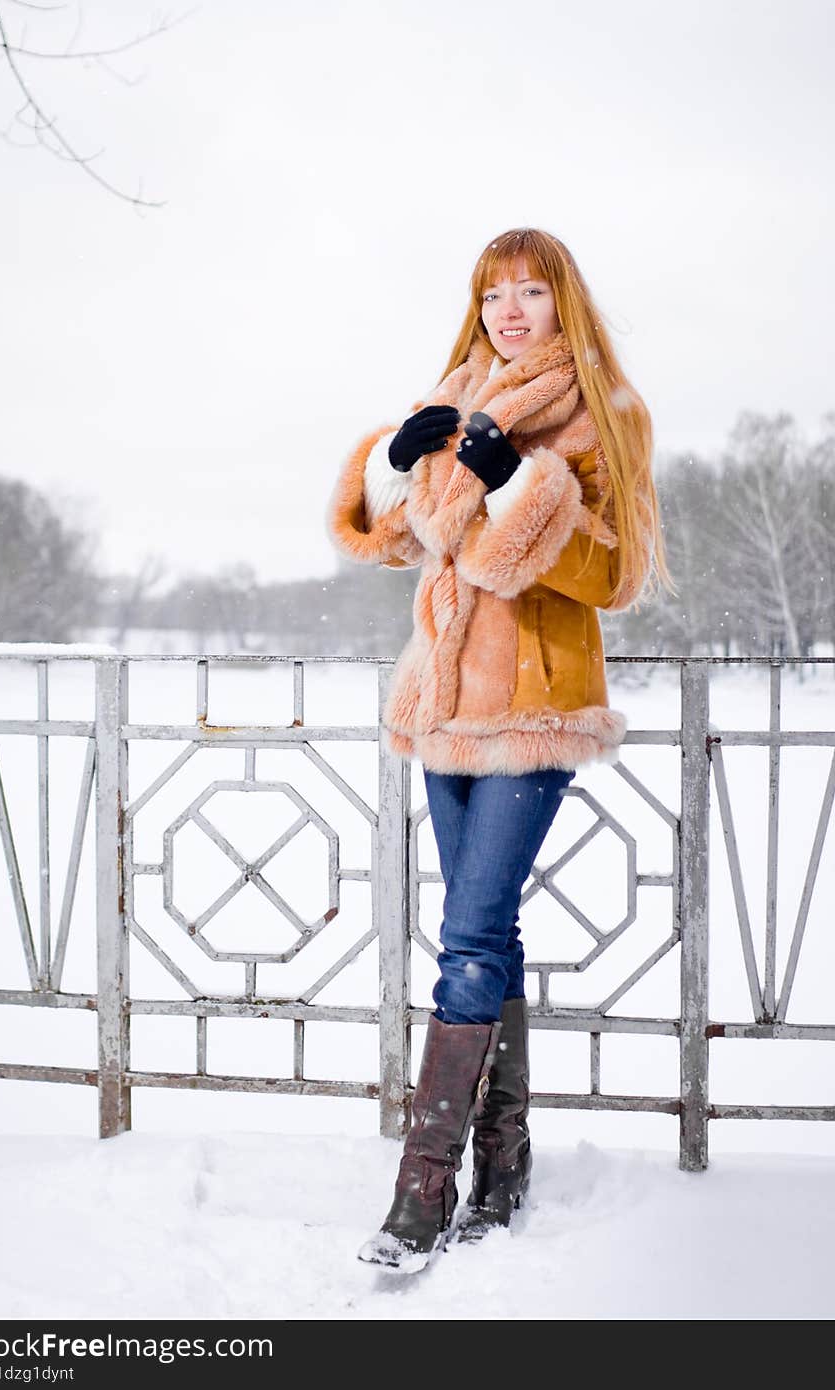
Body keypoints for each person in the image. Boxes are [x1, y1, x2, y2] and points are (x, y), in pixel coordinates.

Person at [326, 227, 671, 1270]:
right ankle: (504, 1159)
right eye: (492, 295)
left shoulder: (605, 410)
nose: (509, 310)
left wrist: (517, 483)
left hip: (533, 712)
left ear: (564, 300)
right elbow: (396, 542)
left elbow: (613, 576)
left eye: (530, 291)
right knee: (486, 933)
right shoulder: (459, 392)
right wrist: (400, 466)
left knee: (469, 936)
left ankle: (418, 1191)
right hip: (441, 707)